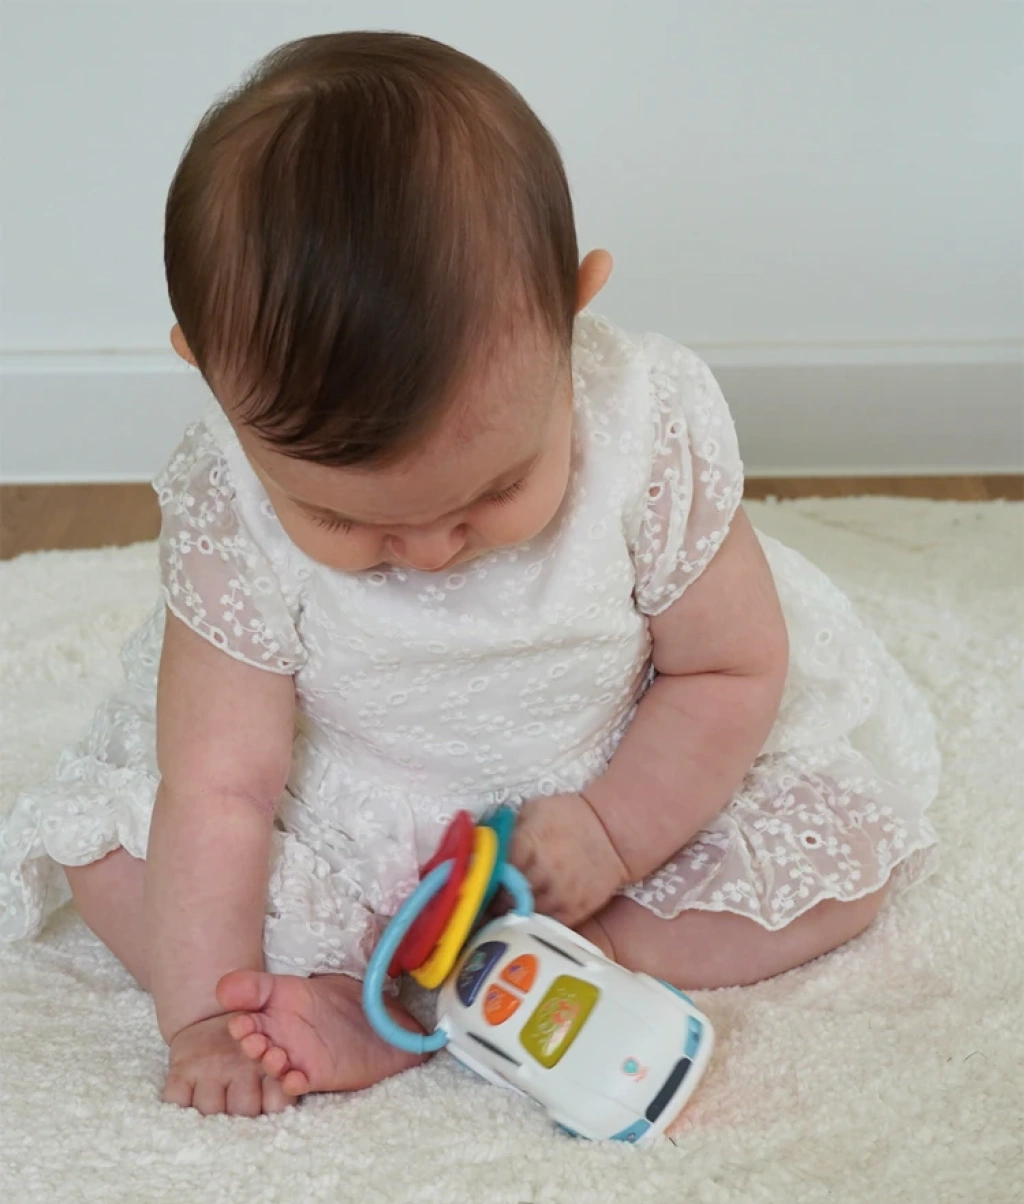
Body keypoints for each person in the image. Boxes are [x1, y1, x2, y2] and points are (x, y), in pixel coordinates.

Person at [0, 32, 939, 1116]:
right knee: (118, 865)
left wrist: (613, 833)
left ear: (572, 311)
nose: (433, 550)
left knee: (841, 870)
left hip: (620, 770)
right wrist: (205, 1018)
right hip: (351, 811)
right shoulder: (232, 506)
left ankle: (556, 950)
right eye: (343, 518)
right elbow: (224, 785)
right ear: (211, 378)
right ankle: (374, 991)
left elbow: (727, 670)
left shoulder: (639, 428)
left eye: (493, 491)